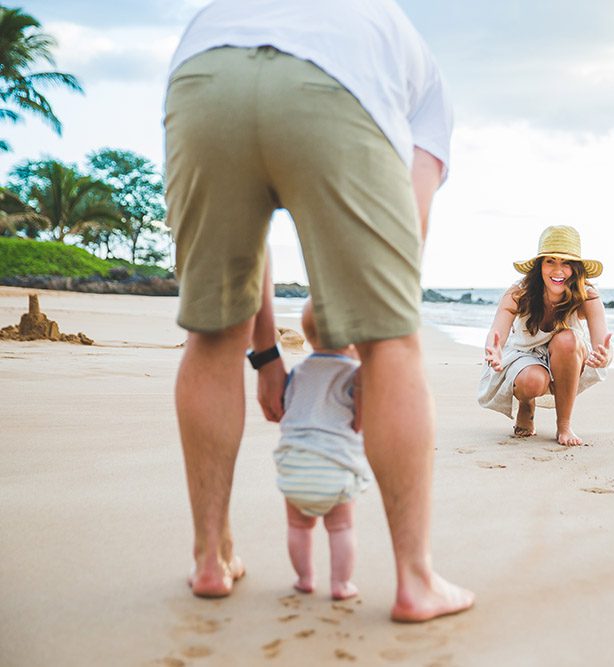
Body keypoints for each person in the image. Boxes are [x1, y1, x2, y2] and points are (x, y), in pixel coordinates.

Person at [165, 0, 473, 622]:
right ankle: (415, 580)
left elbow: (253, 257)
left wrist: (267, 355)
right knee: (396, 341)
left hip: (203, 74)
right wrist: (365, 355)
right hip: (338, 85)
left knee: (210, 332)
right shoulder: (410, 56)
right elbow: (402, 252)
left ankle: (210, 558)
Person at [479, 225, 613, 446]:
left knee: (568, 339)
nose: (558, 270)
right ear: (540, 265)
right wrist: (493, 350)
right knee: (533, 381)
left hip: (566, 356)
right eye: (550, 261)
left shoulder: (587, 296)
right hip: (524, 355)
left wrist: (604, 357)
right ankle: (526, 403)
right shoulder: (518, 293)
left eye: (566, 263)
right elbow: (497, 333)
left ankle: (564, 425)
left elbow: (602, 344)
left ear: (576, 268)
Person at [275, 300, 367, 600]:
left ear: (308, 335)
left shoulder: (298, 372)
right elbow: (359, 423)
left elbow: (287, 409)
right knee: (341, 528)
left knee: (298, 526)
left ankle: (304, 578)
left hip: (294, 466)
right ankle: (340, 585)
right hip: (335, 467)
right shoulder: (354, 374)